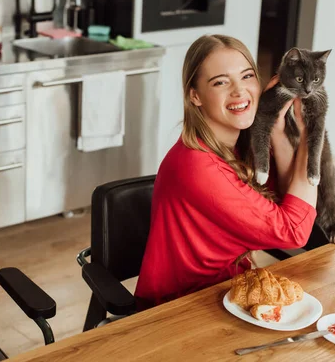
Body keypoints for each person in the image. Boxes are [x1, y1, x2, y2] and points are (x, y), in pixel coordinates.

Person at [134, 34, 318, 310]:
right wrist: (309, 136)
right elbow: (293, 230)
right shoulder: (197, 165)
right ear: (195, 96)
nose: (239, 91)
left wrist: (277, 128)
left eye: (246, 77)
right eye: (220, 82)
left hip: (227, 292)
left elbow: (288, 197)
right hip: (178, 310)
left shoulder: (242, 146)